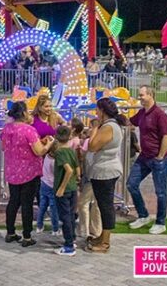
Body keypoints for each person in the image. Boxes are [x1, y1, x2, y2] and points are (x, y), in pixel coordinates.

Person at [1, 101, 53, 247]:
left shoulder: (6, 129)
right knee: (27, 204)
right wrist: (48, 144)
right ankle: (27, 236)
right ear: (23, 113)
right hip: (29, 172)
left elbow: (3, 148)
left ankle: (10, 232)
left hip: (12, 171)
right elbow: (39, 151)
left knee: (13, 202)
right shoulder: (28, 130)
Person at [127, 86, 167, 235]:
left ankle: (161, 222)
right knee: (131, 184)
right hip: (144, 156)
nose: (139, 98)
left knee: (160, 192)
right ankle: (143, 215)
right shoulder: (142, 113)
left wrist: (160, 156)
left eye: (142, 95)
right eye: (139, 96)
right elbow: (129, 122)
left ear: (150, 95)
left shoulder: (160, 114)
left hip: (159, 158)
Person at [86, 98, 125, 252]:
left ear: (102, 111)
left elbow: (92, 146)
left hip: (105, 172)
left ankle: (105, 242)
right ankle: (102, 236)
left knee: (106, 206)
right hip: (105, 170)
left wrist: (95, 128)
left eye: (97, 110)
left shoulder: (108, 127)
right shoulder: (112, 125)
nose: (95, 113)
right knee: (103, 205)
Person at [53, 125, 80, 256]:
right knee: (71, 216)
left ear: (56, 137)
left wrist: (61, 188)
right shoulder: (71, 151)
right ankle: (72, 238)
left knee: (65, 218)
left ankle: (69, 245)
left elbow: (69, 170)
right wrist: (76, 179)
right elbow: (77, 168)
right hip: (73, 188)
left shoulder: (59, 152)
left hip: (63, 189)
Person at [77, 120, 102, 245]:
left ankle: (84, 229)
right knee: (96, 203)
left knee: (83, 202)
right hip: (101, 174)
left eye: (91, 127)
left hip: (91, 174)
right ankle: (96, 229)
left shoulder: (90, 141)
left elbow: (85, 155)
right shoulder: (104, 140)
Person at [35, 142, 60, 235]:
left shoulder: (46, 157)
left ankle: (39, 225)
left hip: (44, 183)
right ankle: (55, 229)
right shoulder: (54, 162)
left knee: (42, 206)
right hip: (51, 185)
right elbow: (55, 174)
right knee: (53, 208)